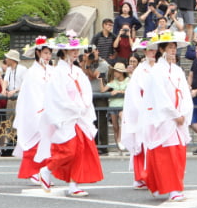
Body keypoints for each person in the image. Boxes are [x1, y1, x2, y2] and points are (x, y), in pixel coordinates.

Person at [36, 32, 105, 197]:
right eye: (71, 50)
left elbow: (86, 90)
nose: (75, 53)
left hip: (80, 115)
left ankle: (74, 183)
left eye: (76, 50)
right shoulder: (57, 72)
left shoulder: (77, 71)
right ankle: (47, 169)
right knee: (69, 150)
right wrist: (73, 107)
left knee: (81, 150)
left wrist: (85, 105)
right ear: (63, 51)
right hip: (66, 115)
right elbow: (57, 96)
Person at [143, 31, 193, 201]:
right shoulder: (157, 70)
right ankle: (172, 188)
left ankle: (173, 186)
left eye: (174, 47)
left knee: (177, 153)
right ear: (162, 49)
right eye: (170, 47)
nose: (173, 50)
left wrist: (184, 113)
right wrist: (173, 113)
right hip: (164, 117)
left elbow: (185, 93)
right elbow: (160, 96)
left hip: (178, 117)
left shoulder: (178, 70)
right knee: (166, 154)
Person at [12, 37, 57, 188]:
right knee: (35, 140)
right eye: (45, 53)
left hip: (50, 110)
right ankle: (33, 171)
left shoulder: (52, 70)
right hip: (35, 110)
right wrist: (40, 110)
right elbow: (30, 95)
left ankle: (44, 171)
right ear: (38, 53)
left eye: (49, 53)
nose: (47, 56)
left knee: (49, 142)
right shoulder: (32, 73)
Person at [120, 39, 155, 189]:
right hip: (142, 110)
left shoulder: (159, 67)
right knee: (140, 143)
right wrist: (142, 109)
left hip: (156, 109)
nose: (152, 52)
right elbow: (134, 92)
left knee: (153, 143)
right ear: (145, 52)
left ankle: (152, 175)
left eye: (154, 49)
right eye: (149, 50)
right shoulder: (140, 69)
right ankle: (140, 176)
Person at [105, 62, 129, 154]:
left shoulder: (128, 80)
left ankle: (120, 141)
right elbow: (103, 89)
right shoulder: (113, 81)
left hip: (123, 105)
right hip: (113, 105)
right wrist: (100, 79)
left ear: (121, 72)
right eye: (114, 71)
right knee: (115, 127)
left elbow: (129, 90)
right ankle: (118, 145)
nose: (115, 73)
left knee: (123, 119)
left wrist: (119, 91)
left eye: (117, 71)